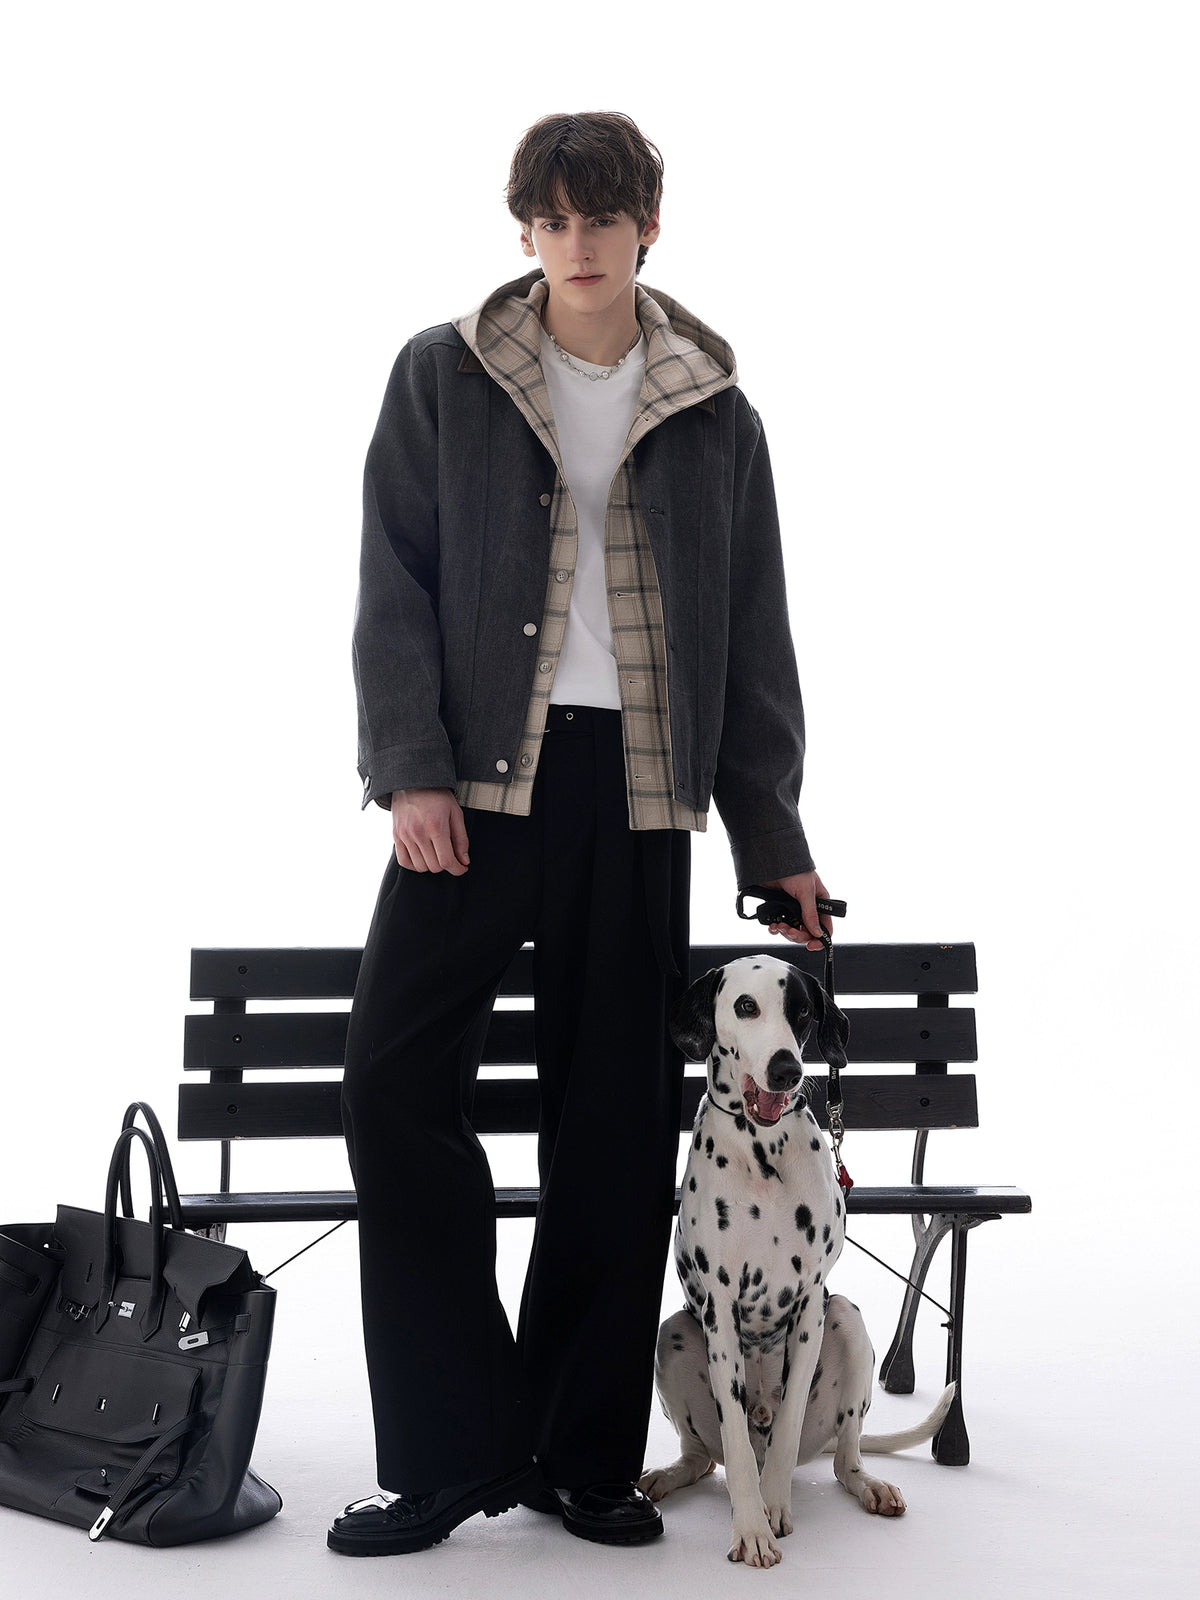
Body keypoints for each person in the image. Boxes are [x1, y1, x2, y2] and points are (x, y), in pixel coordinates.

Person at [329, 110, 833, 1558]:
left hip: (640, 791)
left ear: (646, 227)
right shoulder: (444, 374)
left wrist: (772, 834)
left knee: (610, 1125)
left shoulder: (716, 409)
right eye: (552, 220)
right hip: (478, 789)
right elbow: (393, 580)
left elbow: (754, 633)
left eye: (601, 217)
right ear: (526, 232)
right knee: (392, 1084)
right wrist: (410, 770)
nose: (578, 242)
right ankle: (446, 1451)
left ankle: (580, 1453)